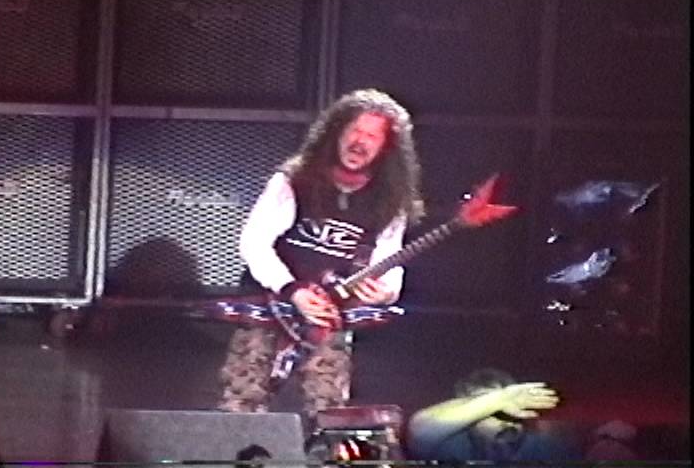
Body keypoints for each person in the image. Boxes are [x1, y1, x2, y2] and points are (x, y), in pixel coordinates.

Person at [216, 89, 425, 422]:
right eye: (354, 131)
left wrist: (385, 291)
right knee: (241, 404)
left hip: (329, 314)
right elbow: (254, 242)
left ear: (386, 148)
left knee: (329, 411)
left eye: (371, 136)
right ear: (336, 133)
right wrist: (292, 290)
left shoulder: (389, 201)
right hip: (269, 305)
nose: (359, 142)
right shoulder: (294, 181)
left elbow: (389, 260)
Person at [406, 368, 581, 461]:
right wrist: (497, 400)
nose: (507, 418)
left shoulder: (544, 446)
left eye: (511, 407)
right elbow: (420, 430)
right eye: (491, 411)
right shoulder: (452, 448)